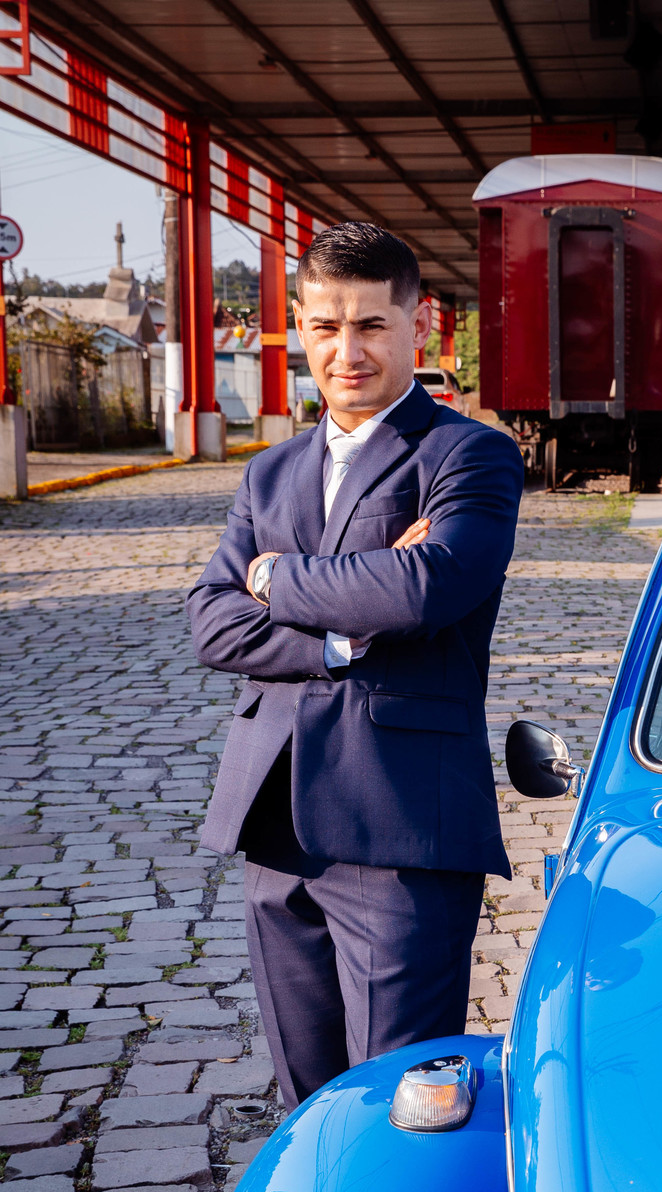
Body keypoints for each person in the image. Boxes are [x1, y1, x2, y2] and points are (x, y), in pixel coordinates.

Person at [187, 222, 523, 1111]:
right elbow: (212, 623)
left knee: (399, 1101)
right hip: (274, 824)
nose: (348, 351)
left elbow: (427, 585)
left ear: (418, 324)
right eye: (326, 326)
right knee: (307, 1097)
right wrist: (342, 636)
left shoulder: (468, 454)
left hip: (399, 823)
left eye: (372, 324)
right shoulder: (268, 474)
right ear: (301, 326)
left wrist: (275, 577)